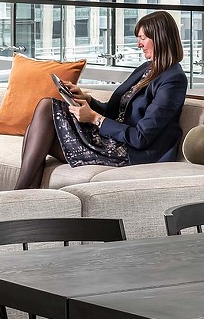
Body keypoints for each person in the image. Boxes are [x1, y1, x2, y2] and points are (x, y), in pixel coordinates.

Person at [14, 10, 188, 189]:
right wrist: (87, 99)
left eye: (142, 38)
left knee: (45, 111)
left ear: (159, 38)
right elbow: (117, 112)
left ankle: (18, 196)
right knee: (39, 124)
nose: (138, 44)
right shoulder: (146, 69)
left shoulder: (173, 79)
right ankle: (24, 199)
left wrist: (95, 119)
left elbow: (141, 137)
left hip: (131, 151)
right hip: (112, 140)